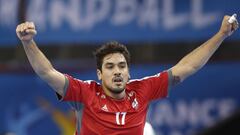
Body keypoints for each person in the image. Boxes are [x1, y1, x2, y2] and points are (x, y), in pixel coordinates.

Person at [16, 15, 238, 135]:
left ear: (129, 72)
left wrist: (220, 35)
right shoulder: (84, 92)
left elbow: (187, 67)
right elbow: (46, 72)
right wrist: (28, 42)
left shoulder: (142, 90)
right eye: (110, 67)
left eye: (122, 66)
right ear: (99, 74)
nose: (117, 72)